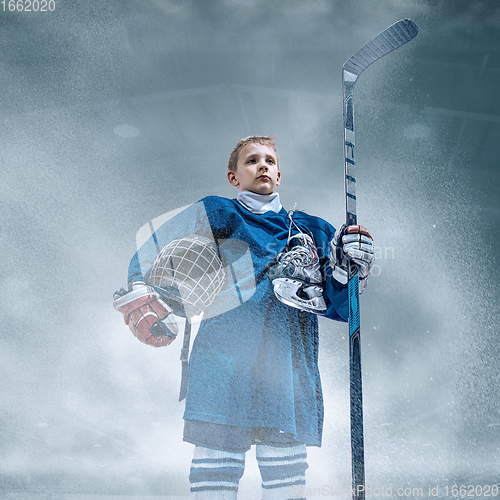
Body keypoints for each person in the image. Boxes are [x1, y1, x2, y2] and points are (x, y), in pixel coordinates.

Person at [114, 136, 374, 500]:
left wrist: (348, 270)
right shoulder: (217, 212)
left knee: (285, 473)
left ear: (279, 175)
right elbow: (155, 248)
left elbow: (343, 309)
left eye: (269, 160)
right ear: (233, 177)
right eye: (251, 161)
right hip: (222, 362)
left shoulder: (313, 230)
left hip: (287, 367)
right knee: (216, 468)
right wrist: (140, 286)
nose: (262, 166)